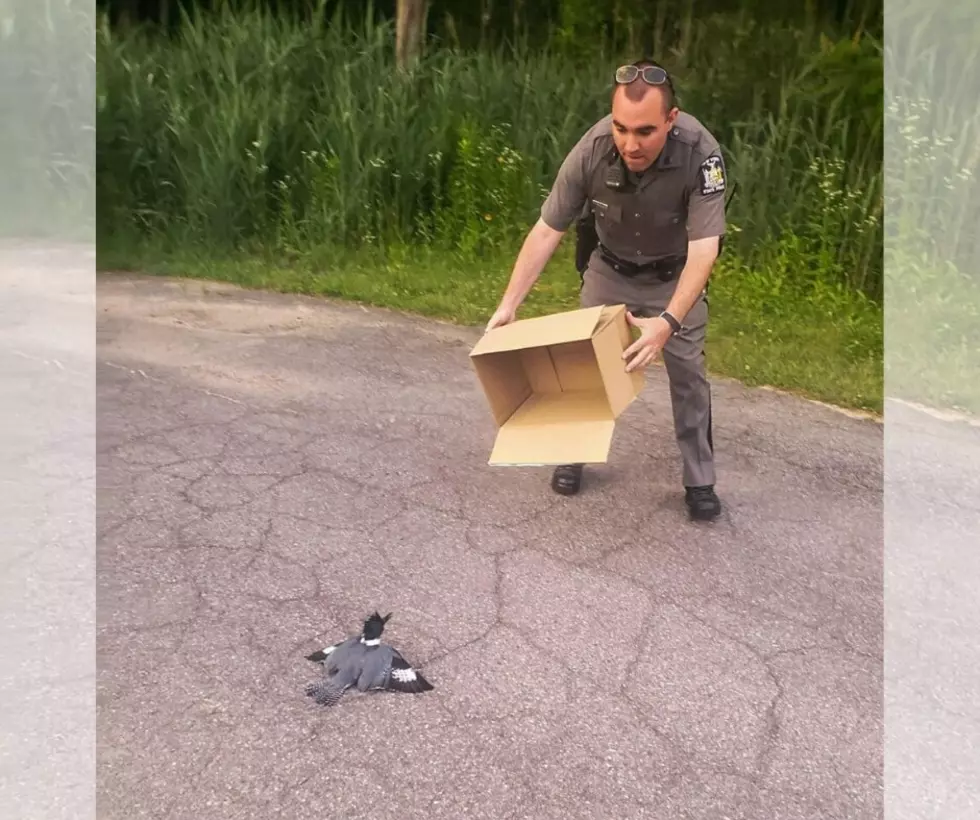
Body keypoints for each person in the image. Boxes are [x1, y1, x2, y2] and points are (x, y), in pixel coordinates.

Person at [484, 59, 728, 521]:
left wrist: (668, 324)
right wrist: (508, 306)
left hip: (674, 276)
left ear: (671, 121)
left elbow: (704, 252)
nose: (630, 144)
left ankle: (700, 479)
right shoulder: (593, 147)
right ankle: (573, 451)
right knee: (585, 364)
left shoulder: (701, 152)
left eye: (644, 132)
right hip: (610, 269)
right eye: (621, 128)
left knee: (689, 378)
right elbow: (546, 230)